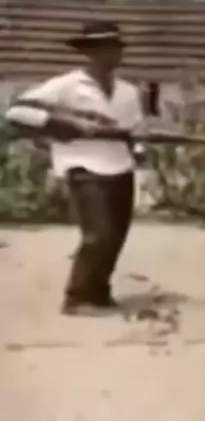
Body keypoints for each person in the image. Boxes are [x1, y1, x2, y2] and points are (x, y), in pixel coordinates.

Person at [4, 21, 143, 316]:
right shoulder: (66, 85)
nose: (114, 53)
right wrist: (64, 123)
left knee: (116, 236)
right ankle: (77, 298)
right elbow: (17, 112)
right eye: (106, 48)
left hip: (120, 166)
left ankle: (99, 292)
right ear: (90, 52)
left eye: (116, 48)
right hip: (83, 165)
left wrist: (137, 145)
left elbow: (134, 129)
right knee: (98, 234)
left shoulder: (128, 91)